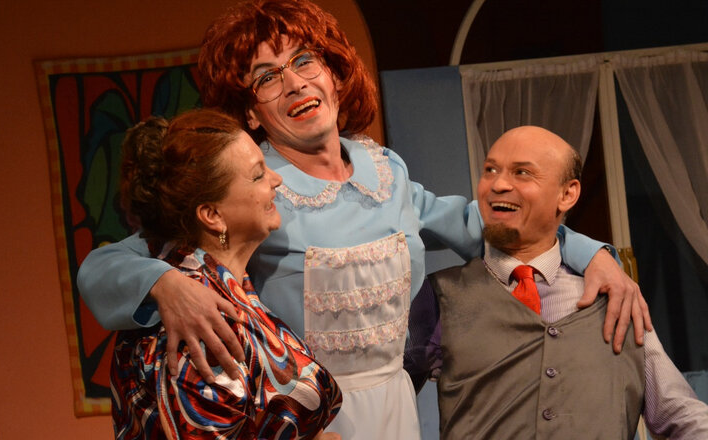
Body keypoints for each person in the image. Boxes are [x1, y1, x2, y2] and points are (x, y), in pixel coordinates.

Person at [78, 1, 650, 438]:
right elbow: (106, 265)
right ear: (250, 111)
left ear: (333, 73)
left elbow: (489, 226)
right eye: (267, 76)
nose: (294, 83)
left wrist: (592, 253)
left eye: (304, 61)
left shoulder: (385, 171)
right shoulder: (252, 189)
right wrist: (165, 283)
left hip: (396, 405)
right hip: (311, 416)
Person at [429, 126, 708, 439]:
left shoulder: (615, 296)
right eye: (490, 170)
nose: (498, 184)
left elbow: (679, 414)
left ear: (567, 194)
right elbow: (387, 394)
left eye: (522, 173)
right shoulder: (439, 297)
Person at [110, 108, 342, 439]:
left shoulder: (233, 288)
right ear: (212, 215)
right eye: (258, 175)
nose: (276, 180)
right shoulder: (197, 324)